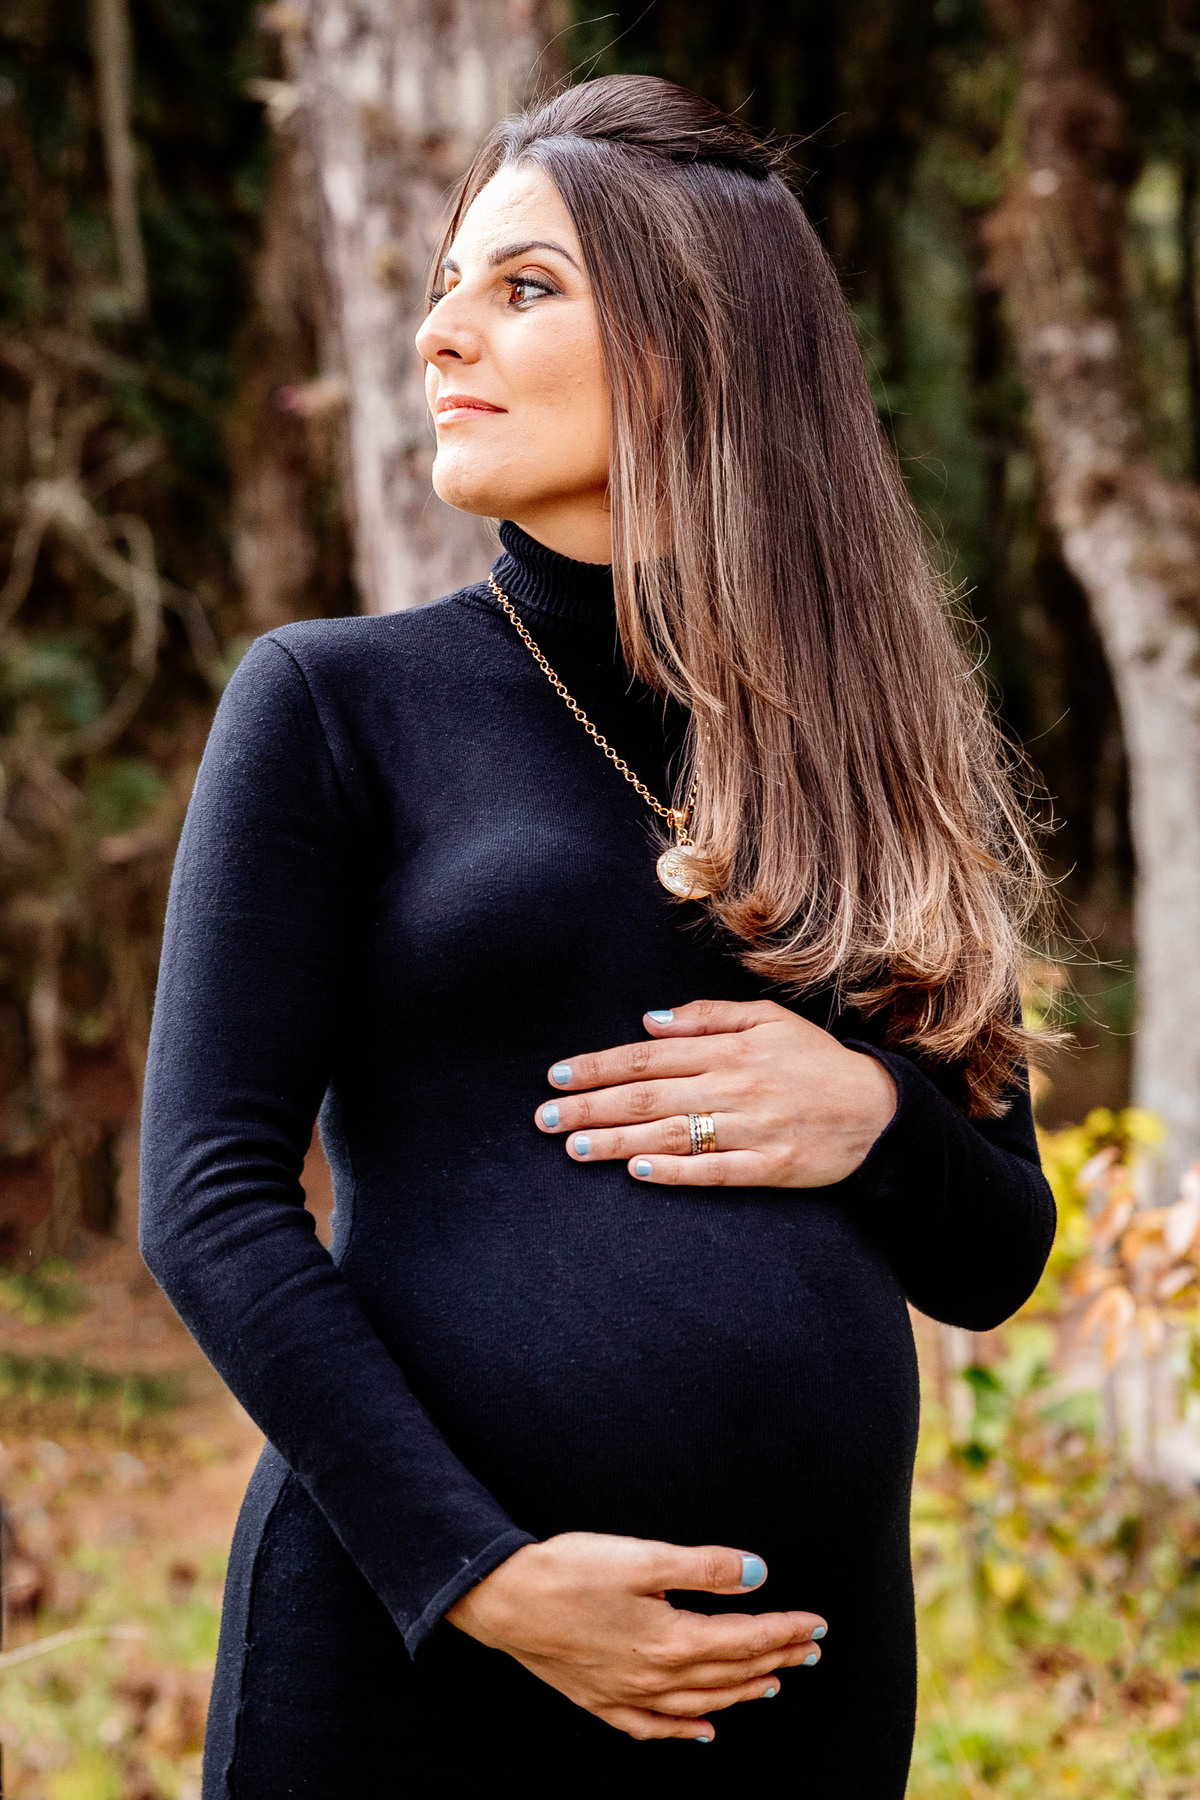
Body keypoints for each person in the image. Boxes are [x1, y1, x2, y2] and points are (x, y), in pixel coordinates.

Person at [139, 74, 1056, 1798]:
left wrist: (872, 1119)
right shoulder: (337, 704)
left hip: (793, 1688)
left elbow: (996, 1250)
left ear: (703, 346)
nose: (441, 333)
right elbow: (206, 1197)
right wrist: (479, 1577)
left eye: (524, 285)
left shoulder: (866, 748)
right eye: (445, 283)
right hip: (415, 1671)